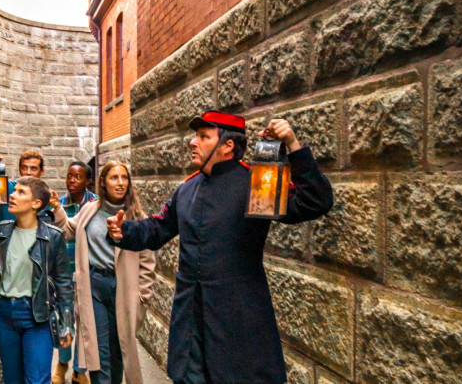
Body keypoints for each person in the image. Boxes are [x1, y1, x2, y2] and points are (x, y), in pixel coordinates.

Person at [106, 111, 334, 384]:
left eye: (203, 136)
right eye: (196, 136)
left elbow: (315, 201)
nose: (193, 142)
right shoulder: (187, 189)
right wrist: (124, 231)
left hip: (238, 327)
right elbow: (157, 229)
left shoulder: (257, 184)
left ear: (227, 146)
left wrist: (294, 145)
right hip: (191, 329)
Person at [0, 176, 73, 384]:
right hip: (5, 314)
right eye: (14, 190)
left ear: (36, 204)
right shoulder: (4, 230)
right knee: (11, 379)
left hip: (37, 315)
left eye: (20, 192)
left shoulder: (53, 236)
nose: (12, 195)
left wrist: (66, 324)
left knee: (37, 380)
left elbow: (63, 283)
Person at [50, 161, 156, 384]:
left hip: (124, 289)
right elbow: (68, 230)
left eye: (124, 178)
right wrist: (57, 208)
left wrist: (142, 296)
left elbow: (147, 261)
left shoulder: (137, 217)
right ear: (103, 183)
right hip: (94, 286)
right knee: (98, 350)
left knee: (119, 349)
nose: (120, 183)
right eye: (114, 178)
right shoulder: (90, 210)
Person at [52, 162, 99, 384]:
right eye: (69, 176)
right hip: (63, 274)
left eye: (77, 177)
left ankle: (80, 370)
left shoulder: (96, 205)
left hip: (87, 274)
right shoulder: (59, 204)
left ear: (87, 180)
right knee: (65, 321)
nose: (71, 180)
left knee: (85, 324)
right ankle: (62, 364)